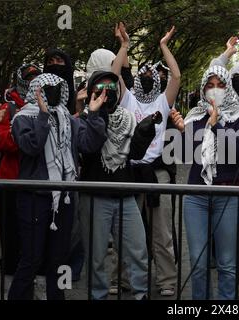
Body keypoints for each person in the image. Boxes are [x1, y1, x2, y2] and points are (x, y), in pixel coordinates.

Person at [8, 73, 107, 300]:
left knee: (58, 259)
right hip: (34, 199)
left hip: (64, 199)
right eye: (47, 88)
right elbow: (31, 146)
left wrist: (93, 114)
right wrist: (43, 116)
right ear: (36, 91)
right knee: (31, 259)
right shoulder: (23, 118)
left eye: (57, 88)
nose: (52, 92)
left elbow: (89, 143)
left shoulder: (68, 119)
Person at [112, 22, 181, 297]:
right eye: (143, 74)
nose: (147, 77)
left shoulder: (163, 102)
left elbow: (176, 76)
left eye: (152, 74)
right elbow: (113, 72)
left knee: (161, 232)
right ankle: (122, 278)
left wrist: (164, 46)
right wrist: (124, 46)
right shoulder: (127, 99)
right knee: (123, 231)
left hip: (156, 173)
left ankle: (167, 280)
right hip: (129, 171)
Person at [170, 65, 239, 299]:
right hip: (196, 197)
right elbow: (186, 156)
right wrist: (184, 132)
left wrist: (215, 126)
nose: (214, 90)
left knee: (226, 263)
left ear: (228, 88)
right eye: (210, 86)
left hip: (228, 197)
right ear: (203, 89)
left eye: (220, 85)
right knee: (198, 261)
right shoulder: (194, 115)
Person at [78, 70, 154, 300]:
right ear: (91, 91)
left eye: (111, 89)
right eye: (100, 88)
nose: (106, 94)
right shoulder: (83, 119)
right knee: (97, 257)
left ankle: (142, 296)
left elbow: (135, 154)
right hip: (95, 198)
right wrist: (94, 115)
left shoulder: (128, 118)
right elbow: (88, 148)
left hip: (125, 196)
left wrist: (145, 132)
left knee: (138, 253)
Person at [0, 64, 41, 299]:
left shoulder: (47, 105)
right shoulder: (7, 107)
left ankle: (35, 286)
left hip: (38, 184)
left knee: (37, 239)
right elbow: (1, 141)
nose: (33, 81)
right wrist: (27, 138)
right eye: (28, 77)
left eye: (36, 77)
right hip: (11, 183)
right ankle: (10, 289)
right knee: (11, 238)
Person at [43, 48, 76, 115]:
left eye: (59, 61)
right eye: (50, 62)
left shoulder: (77, 98)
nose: (54, 64)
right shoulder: (39, 93)